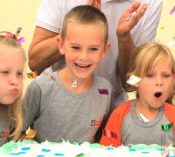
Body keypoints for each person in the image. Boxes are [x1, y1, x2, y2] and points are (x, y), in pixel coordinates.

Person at [28, 0, 162, 106]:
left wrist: (124, 37)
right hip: (52, 103)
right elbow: (35, 63)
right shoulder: (37, 91)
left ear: (105, 49)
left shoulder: (150, 3)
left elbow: (132, 83)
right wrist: (77, 27)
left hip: (106, 108)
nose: (84, 57)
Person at [22, 5, 113, 143]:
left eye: (93, 49)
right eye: (76, 47)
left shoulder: (105, 90)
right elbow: (18, 133)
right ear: (61, 45)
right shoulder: (40, 88)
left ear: (105, 50)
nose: (83, 57)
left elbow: (105, 135)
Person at [100, 42, 175, 148]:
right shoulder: (119, 115)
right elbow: (107, 155)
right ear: (135, 80)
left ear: (173, 81)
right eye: (150, 75)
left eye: (166, 75)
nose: (159, 82)